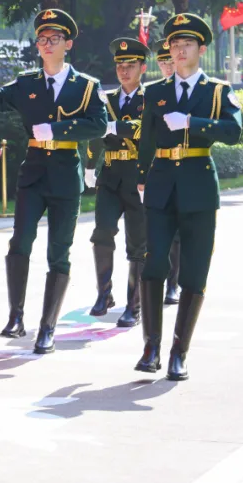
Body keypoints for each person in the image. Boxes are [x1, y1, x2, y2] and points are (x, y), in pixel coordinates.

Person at [0, 9, 107, 354]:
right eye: (42, 38)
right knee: (20, 241)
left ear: (68, 44)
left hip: (65, 173)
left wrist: (56, 130)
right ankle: (16, 316)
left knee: (58, 250)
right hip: (34, 172)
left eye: (55, 39)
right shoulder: (27, 83)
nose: (48, 44)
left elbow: (98, 125)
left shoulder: (86, 86)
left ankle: (48, 327)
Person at [136, 13, 242, 381]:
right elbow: (146, 139)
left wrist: (192, 124)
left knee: (195, 271)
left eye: (187, 44)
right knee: (153, 264)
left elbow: (234, 131)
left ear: (202, 49)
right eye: (175, 45)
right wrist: (140, 177)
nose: (180, 51)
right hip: (161, 184)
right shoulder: (156, 91)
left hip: (198, 185)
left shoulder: (218, 91)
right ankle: (151, 347)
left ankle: (179, 352)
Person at [85, 38, 149, 327]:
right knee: (102, 233)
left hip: (138, 176)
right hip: (110, 175)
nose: (124, 71)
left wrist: (117, 127)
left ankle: (134, 305)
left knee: (137, 243)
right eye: (120, 66)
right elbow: (95, 135)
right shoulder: (106, 100)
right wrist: (89, 166)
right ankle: (104, 294)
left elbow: (147, 129)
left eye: (130, 65)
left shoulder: (152, 99)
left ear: (142, 68)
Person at [153, 39, 182, 305]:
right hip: (157, 168)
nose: (167, 66)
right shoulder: (153, 92)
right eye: (163, 62)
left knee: (176, 234)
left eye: (170, 61)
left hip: (183, 167)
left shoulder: (187, 91)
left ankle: (173, 284)